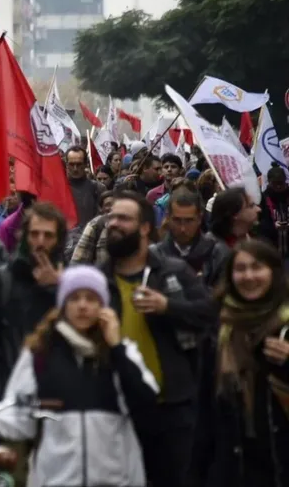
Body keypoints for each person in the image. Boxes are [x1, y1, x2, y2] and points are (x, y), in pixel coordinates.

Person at [0, 265, 159, 487]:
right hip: (56, 479)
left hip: (114, 479)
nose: (83, 305)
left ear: (103, 306)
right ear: (63, 305)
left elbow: (146, 403)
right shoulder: (40, 354)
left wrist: (116, 348)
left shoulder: (122, 353)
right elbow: (18, 417)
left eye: (91, 298)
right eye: (75, 298)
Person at [101, 191, 214, 487]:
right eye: (111, 217)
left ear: (144, 228)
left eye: (123, 218)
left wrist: (168, 307)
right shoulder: (97, 280)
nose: (113, 223)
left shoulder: (171, 272)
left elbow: (210, 314)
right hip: (115, 411)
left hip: (172, 409)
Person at [192, 240, 289, 487]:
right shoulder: (219, 330)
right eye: (240, 269)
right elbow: (205, 410)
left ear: (274, 272)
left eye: (257, 267)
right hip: (235, 466)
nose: (248, 276)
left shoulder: (285, 327)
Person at [0, 202, 68, 402]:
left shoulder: (70, 284)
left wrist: (56, 290)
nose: (40, 242)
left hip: (54, 394)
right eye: (34, 234)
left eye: (48, 236)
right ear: (24, 236)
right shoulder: (1, 279)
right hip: (5, 390)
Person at [152, 187, 230, 285]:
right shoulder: (155, 254)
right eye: (177, 220)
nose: (183, 228)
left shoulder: (217, 253)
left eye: (189, 221)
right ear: (168, 218)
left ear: (199, 219)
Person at [65, 146, 106, 228]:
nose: (75, 169)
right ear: (66, 165)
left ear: (85, 164)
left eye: (79, 164)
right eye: (72, 164)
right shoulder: (59, 189)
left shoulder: (98, 188)